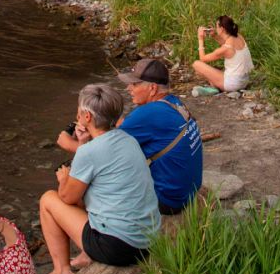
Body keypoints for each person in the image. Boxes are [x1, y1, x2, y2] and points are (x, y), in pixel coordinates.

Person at [38, 84, 160, 274]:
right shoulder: (127, 139)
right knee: (92, 192)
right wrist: (84, 143)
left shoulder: (90, 152)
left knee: (49, 199)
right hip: (147, 240)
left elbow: (67, 197)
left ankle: (61, 273)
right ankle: (86, 256)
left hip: (119, 247)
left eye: (79, 110)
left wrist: (64, 179)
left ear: (87, 117)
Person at [54, 60, 204, 217]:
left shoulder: (147, 114)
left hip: (168, 200)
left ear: (152, 88)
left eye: (134, 84)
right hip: (187, 191)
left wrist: (71, 144)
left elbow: (104, 154)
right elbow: (128, 130)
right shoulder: (172, 103)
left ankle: (93, 229)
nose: (129, 88)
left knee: (86, 185)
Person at [191, 15, 253, 92]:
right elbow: (227, 44)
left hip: (233, 84)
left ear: (222, 29)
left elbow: (203, 58)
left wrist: (200, 39)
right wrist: (214, 36)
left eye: (217, 27)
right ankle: (216, 85)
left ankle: (216, 87)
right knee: (215, 73)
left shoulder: (226, 48)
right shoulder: (238, 36)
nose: (215, 29)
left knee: (196, 64)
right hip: (244, 81)